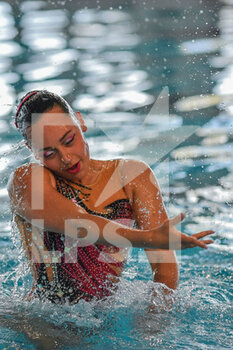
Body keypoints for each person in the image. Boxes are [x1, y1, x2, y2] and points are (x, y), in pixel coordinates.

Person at [7, 90, 214, 305]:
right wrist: (147, 238)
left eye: (69, 140)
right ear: (32, 150)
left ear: (80, 121)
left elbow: (165, 273)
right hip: (43, 321)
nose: (66, 158)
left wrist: (153, 325)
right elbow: (76, 222)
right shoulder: (26, 181)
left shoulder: (131, 177)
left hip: (102, 318)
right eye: (49, 153)